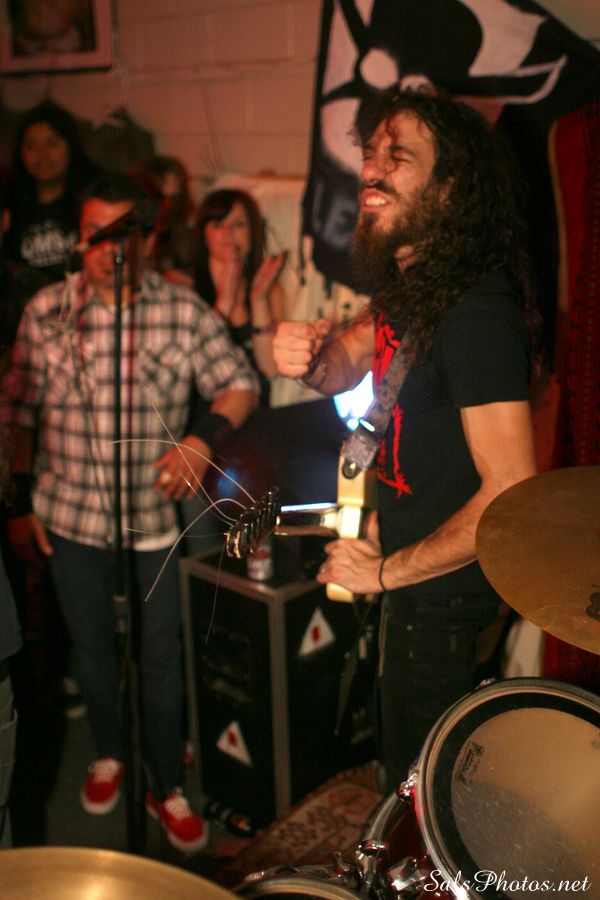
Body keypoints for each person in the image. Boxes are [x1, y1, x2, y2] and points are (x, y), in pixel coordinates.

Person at [272, 88, 539, 792]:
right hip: (409, 568)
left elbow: (511, 493)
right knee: (405, 770)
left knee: (425, 794)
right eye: (370, 154)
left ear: (449, 189)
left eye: (399, 157)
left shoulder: (477, 310)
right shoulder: (417, 285)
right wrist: (305, 356)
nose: (372, 172)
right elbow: (345, 362)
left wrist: (385, 573)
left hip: (443, 596)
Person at [0, 172, 259, 852]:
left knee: (161, 655)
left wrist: (202, 438)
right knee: (91, 647)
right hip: (69, 516)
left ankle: (164, 781)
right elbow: (16, 410)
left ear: (144, 239)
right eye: (94, 234)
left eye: (121, 234)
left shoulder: (180, 310)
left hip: (153, 521)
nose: (107, 249)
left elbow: (240, 382)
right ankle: (110, 751)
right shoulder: (48, 309)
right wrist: (19, 504)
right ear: (79, 238)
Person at [0, 100, 98, 349]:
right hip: (25, 326)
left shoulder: (90, 200)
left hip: (83, 320)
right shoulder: (9, 200)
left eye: (51, 144)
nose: (41, 154)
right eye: (31, 145)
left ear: (70, 147)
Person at [194, 188, 287, 404]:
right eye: (218, 224)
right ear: (204, 235)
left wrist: (258, 299)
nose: (228, 232)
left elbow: (270, 370)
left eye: (238, 224)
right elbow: (190, 373)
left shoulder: (271, 291)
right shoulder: (185, 289)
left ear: (252, 233)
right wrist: (223, 305)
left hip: (258, 409)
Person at [128, 155, 195, 286]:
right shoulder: (127, 235)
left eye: (174, 198)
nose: (167, 205)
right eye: (160, 197)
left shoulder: (183, 237)